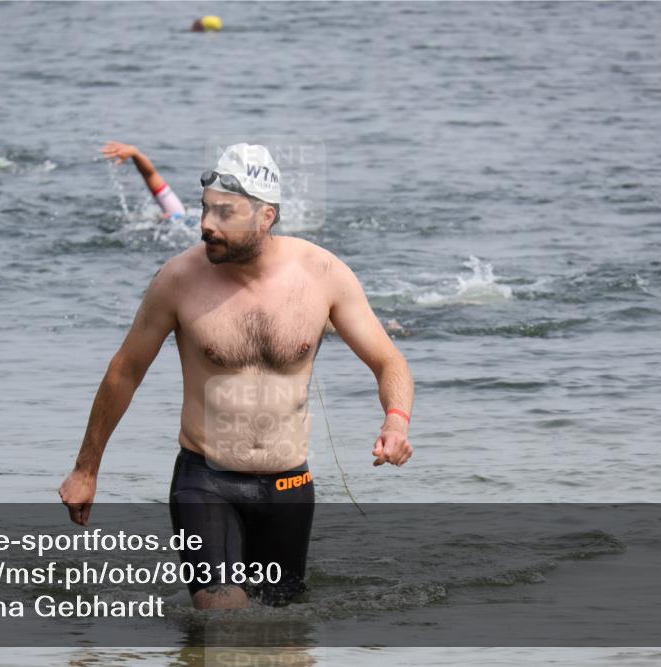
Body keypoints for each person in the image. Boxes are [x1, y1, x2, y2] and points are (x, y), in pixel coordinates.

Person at [58, 143, 414, 610]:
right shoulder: (178, 280)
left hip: (289, 485)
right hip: (205, 480)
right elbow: (124, 372)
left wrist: (395, 422)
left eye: (224, 213)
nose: (207, 224)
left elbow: (390, 361)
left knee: (284, 637)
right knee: (224, 619)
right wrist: (87, 467)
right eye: (206, 209)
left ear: (266, 217)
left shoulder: (323, 274)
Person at [100, 141, 186, 221]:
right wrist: (135, 154)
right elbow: (150, 175)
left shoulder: (179, 219)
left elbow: (151, 175)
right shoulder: (178, 217)